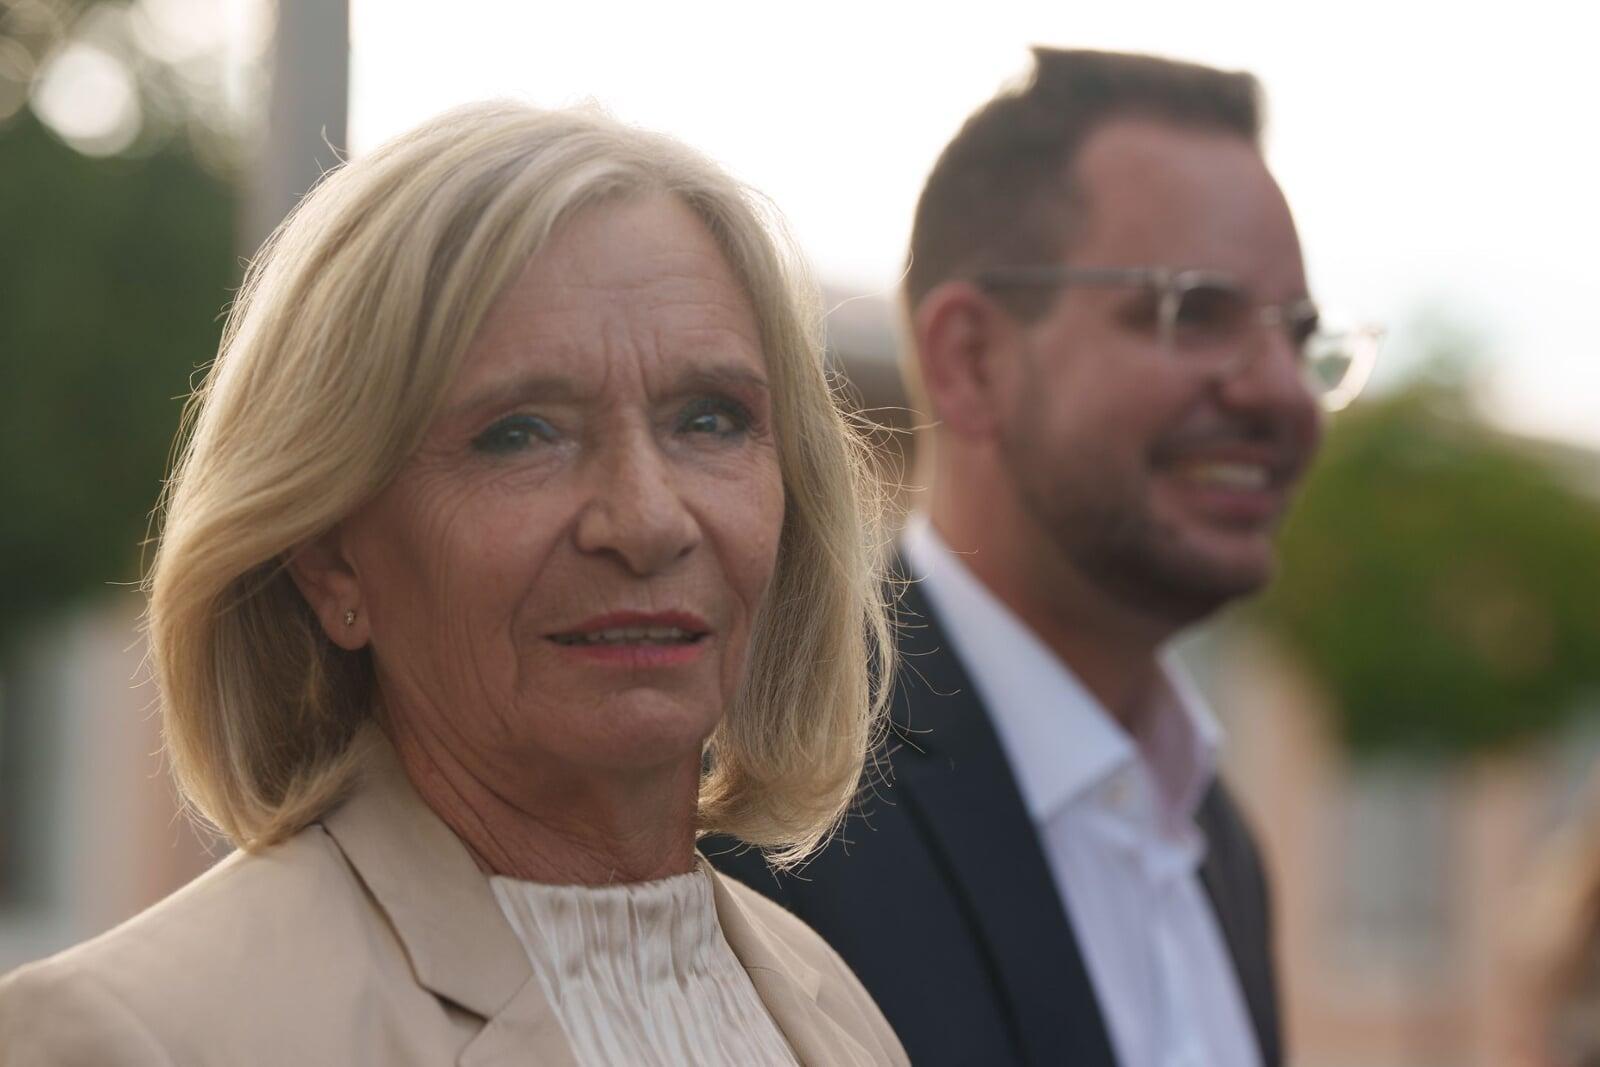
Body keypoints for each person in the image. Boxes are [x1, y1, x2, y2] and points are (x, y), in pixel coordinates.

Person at [0, 102, 908, 1067]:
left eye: (710, 419)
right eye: (520, 433)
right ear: (330, 557)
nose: (648, 520)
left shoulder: (831, 1008)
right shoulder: (141, 1034)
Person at [712, 48, 1378, 1066]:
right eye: (1196, 312)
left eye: (1296, 335)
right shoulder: (770, 803)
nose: (1282, 390)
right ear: (972, 359)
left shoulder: (1214, 841)